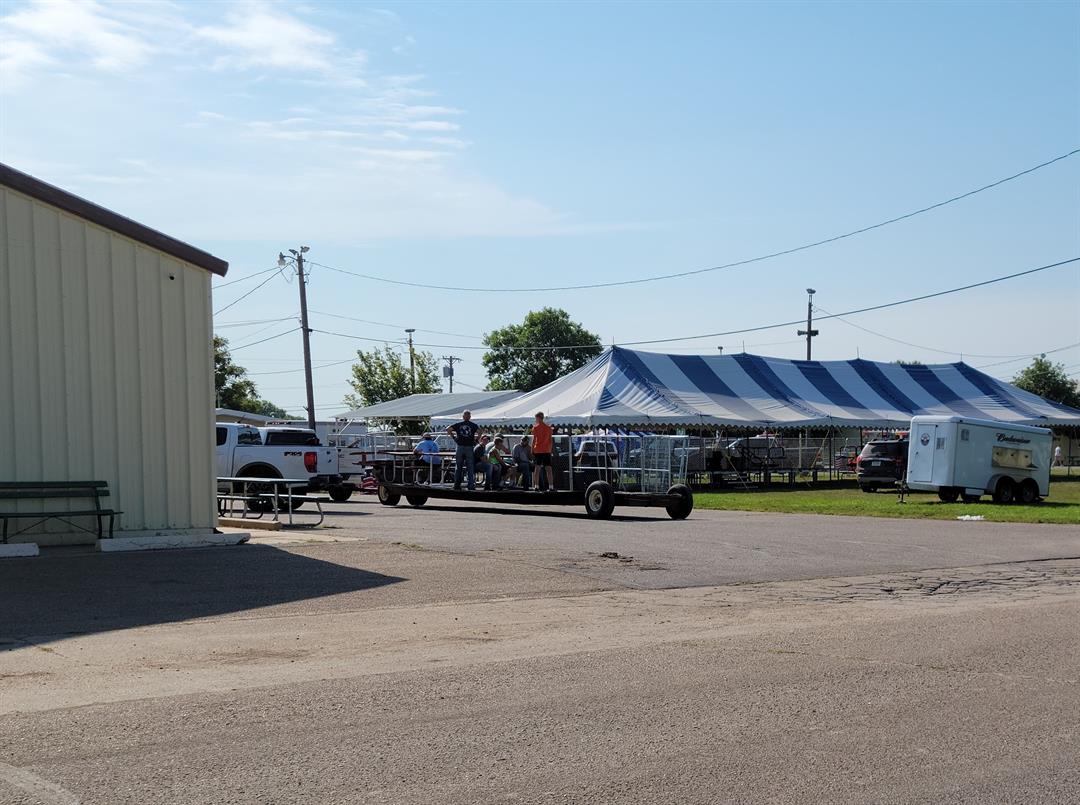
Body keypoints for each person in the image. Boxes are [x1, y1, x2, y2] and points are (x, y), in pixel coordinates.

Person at [447, 410, 479, 491]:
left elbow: (448, 429)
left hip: (460, 446)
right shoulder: (473, 425)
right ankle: (471, 485)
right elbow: (480, 431)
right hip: (469, 447)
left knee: (458, 467)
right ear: (470, 417)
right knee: (470, 467)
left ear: (463, 416)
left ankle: (457, 485)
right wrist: (476, 440)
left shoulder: (458, 424)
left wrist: (454, 438)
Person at [530, 411, 555, 491]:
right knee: (549, 469)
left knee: (537, 469)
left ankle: (536, 486)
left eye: (536, 418)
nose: (535, 420)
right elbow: (550, 440)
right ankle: (551, 486)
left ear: (538, 418)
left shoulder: (535, 428)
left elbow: (534, 440)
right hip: (547, 450)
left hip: (538, 450)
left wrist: (532, 449)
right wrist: (550, 449)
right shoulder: (548, 428)